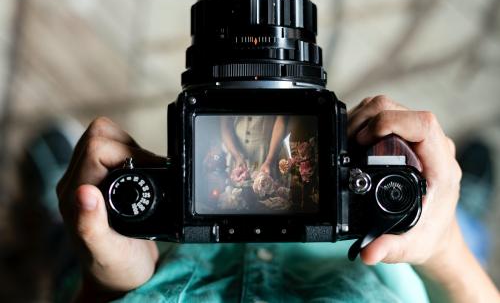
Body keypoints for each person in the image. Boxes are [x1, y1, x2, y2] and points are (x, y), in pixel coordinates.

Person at [56, 96, 500, 302]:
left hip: (158, 246)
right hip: (376, 240)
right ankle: (453, 219)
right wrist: (443, 244)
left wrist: (108, 282)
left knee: (88, 218)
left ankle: (62, 234)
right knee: (411, 212)